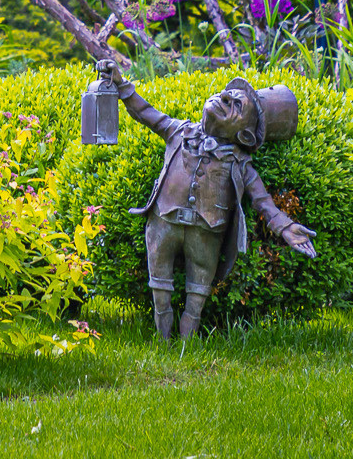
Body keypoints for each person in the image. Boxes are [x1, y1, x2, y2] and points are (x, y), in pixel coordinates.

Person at [96, 60, 318, 339]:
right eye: (226, 94)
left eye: (236, 106)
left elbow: (263, 202)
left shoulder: (239, 161)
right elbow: (145, 112)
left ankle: (187, 346)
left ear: (245, 135)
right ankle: (164, 342)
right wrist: (121, 84)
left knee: (197, 297)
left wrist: (285, 227)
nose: (223, 97)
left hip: (207, 234)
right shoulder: (179, 131)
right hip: (163, 221)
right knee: (160, 289)